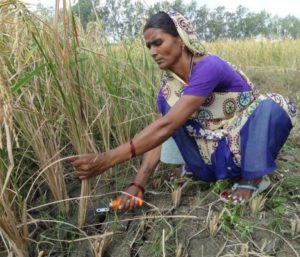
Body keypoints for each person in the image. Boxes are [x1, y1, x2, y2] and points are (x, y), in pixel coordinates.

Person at [70, 11, 297, 208]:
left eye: (158, 43)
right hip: (212, 162)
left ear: (181, 40)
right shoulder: (168, 91)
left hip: (245, 145)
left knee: (273, 104)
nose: (152, 51)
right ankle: (201, 170)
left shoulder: (209, 66)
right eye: (148, 46)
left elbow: (167, 126)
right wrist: (138, 183)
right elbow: (162, 132)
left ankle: (254, 179)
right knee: (169, 115)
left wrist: (107, 159)